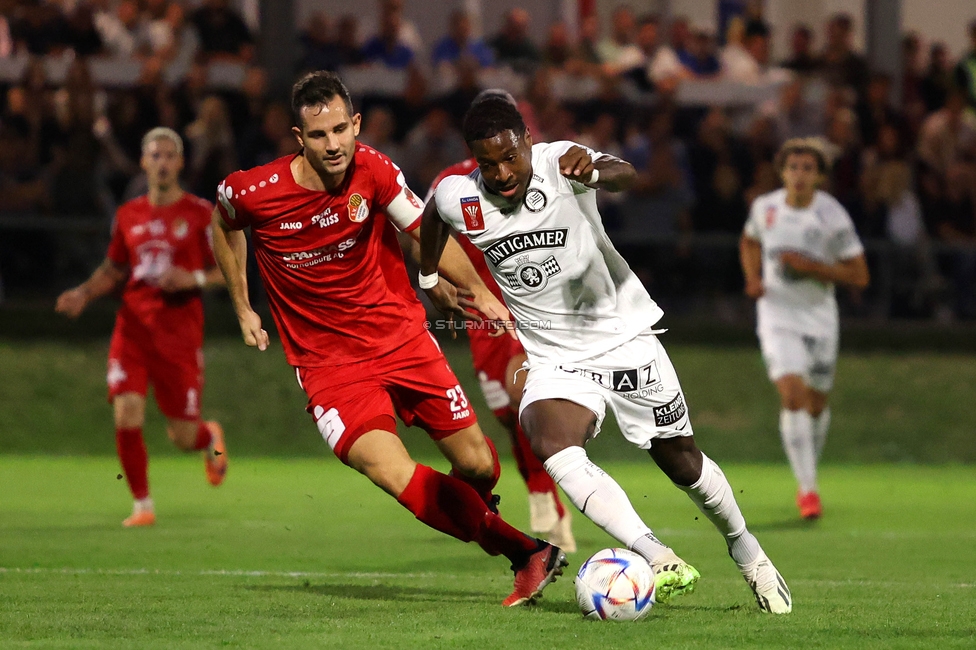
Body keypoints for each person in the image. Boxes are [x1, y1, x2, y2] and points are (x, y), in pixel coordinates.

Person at [420, 97, 792, 614]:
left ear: (527, 140)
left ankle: (747, 550)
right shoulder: (459, 196)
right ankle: (653, 551)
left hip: (624, 341)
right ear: (474, 160)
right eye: (488, 163)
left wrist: (596, 168)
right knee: (549, 439)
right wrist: (429, 276)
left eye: (510, 157)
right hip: (553, 358)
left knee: (682, 463)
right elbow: (431, 215)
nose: (503, 173)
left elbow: (625, 175)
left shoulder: (558, 161)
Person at [209, 71, 566, 607]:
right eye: (318, 135)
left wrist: (475, 291)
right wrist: (242, 305)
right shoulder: (253, 190)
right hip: (330, 369)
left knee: (477, 466)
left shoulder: (372, 169)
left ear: (354, 124)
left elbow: (424, 229)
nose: (332, 145)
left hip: (403, 341)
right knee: (391, 468)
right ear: (297, 138)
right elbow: (223, 223)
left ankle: (468, 512)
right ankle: (527, 552)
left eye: (339, 130)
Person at [419, 93, 576, 553]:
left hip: (533, 309)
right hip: (481, 319)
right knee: (510, 417)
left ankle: (553, 499)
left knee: (524, 395)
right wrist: (431, 278)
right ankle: (543, 496)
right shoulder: (451, 185)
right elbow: (422, 230)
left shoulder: (542, 169)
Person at [55, 127, 228, 528]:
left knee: (183, 437)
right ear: (143, 162)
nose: (162, 163)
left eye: (170, 155)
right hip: (132, 328)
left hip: (179, 335)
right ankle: (142, 505)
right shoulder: (128, 215)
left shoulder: (200, 213)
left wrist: (194, 279)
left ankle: (211, 438)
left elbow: (228, 271)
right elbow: (114, 268)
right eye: (155, 155)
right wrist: (84, 293)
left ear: (181, 163)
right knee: (126, 412)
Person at [739, 138, 869, 519]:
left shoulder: (832, 217)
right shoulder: (766, 208)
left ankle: (809, 475)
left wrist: (813, 268)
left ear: (819, 176)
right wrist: (752, 278)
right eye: (793, 167)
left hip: (820, 317)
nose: (799, 175)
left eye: (807, 169)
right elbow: (748, 241)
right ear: (782, 172)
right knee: (792, 395)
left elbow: (860, 275)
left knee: (815, 405)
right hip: (777, 315)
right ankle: (808, 490)